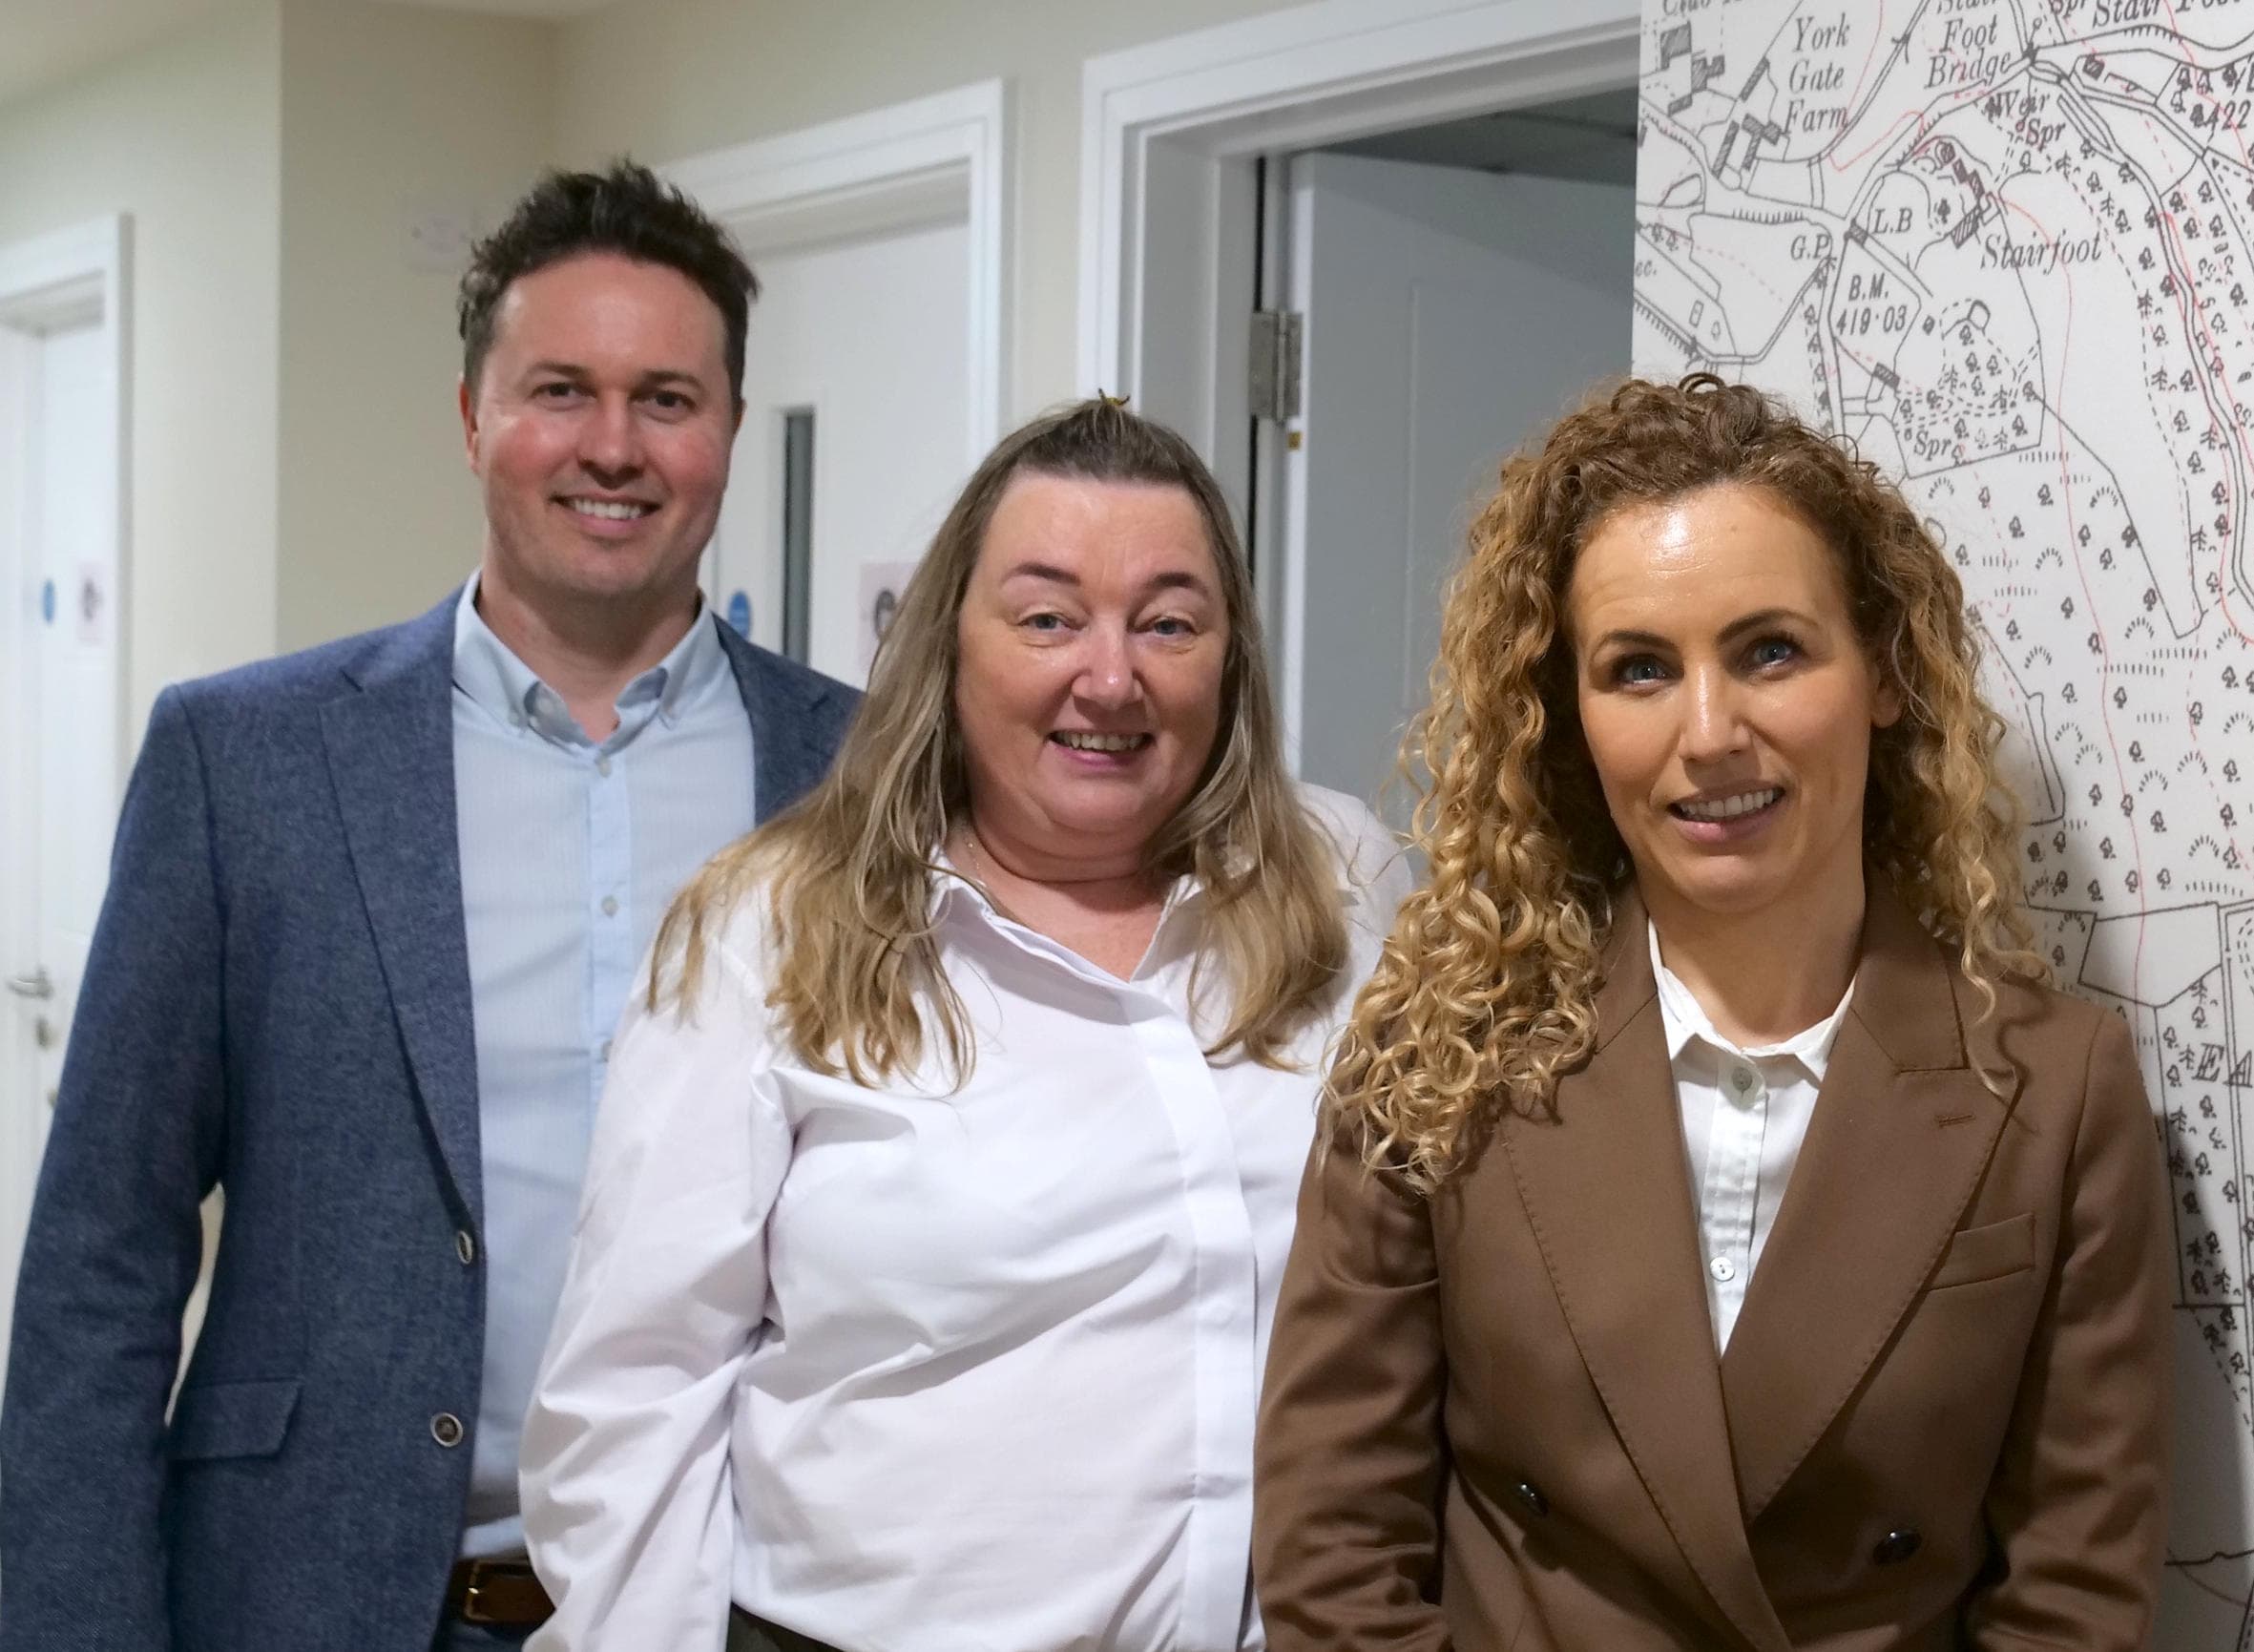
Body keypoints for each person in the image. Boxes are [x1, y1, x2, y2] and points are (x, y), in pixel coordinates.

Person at [0, 162, 859, 1652]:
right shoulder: (247, 762)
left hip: (739, 1608)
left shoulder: (863, 774)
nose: (613, 446)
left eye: (668, 397)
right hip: (316, 1602)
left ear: (727, 428)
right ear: (471, 419)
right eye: (558, 391)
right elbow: (102, 1258)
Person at [1254, 374, 2175, 1651]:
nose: (1710, 732)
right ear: (1571, 721)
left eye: (1770, 651)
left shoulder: (2057, 1088)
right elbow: (1333, 1558)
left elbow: (2072, 1601)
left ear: (1888, 675)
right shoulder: (1437, 1049)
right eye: (1637, 669)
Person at [519, 397, 1411, 1652]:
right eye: (1047, 617)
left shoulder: (1347, 882)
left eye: (1169, 622)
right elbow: (636, 1392)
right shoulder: (767, 929)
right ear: (951, 644)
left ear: (1230, 657)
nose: (1111, 675)